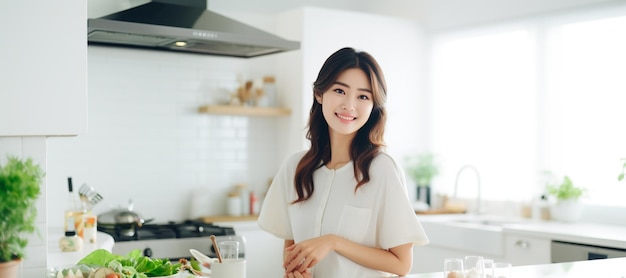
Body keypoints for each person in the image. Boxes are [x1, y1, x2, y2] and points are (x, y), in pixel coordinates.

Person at [257, 47, 429, 278]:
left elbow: (401, 264)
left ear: (373, 106)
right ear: (320, 94)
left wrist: (334, 242)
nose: (349, 105)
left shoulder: (382, 169)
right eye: (340, 90)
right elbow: (292, 251)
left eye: (363, 96)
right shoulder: (294, 167)